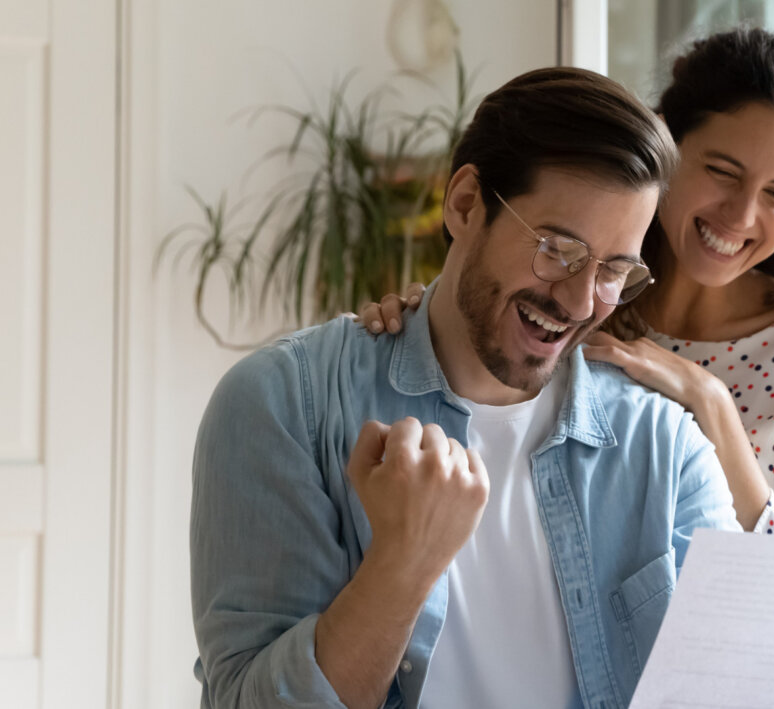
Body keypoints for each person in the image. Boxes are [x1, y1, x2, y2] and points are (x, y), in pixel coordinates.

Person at [358, 28, 774, 709]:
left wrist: (712, 405)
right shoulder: (589, 296)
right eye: (722, 172)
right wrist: (417, 315)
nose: (741, 215)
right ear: (667, 146)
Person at [190, 66, 741, 709]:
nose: (580, 301)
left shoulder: (665, 446)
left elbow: (747, 680)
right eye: (558, 250)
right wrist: (405, 561)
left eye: (614, 271)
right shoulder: (285, 405)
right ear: (465, 204)